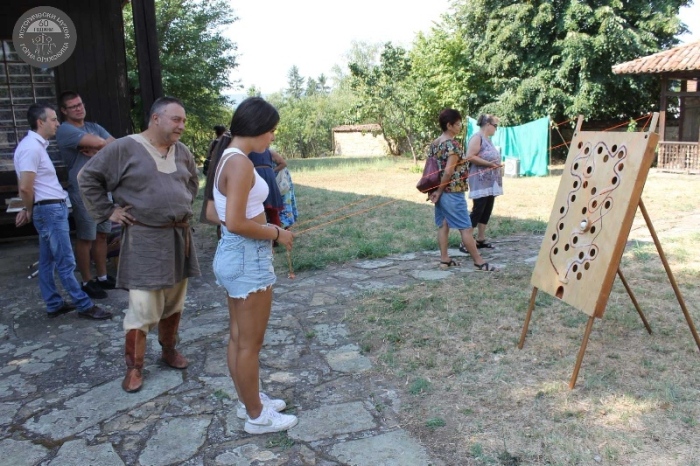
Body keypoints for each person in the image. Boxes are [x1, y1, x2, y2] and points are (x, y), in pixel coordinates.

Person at [78, 96, 200, 393]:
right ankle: (134, 367)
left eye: (183, 120)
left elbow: (192, 183)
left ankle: (168, 350)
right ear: (156, 119)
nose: (181, 126)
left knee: (174, 301)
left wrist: (177, 207)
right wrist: (109, 211)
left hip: (178, 236)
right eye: (176, 119)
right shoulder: (124, 148)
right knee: (144, 306)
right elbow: (88, 177)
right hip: (145, 238)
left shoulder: (181, 151)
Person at [206, 97, 298, 434]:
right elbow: (233, 221)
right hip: (247, 257)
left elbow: (217, 213)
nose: (272, 137)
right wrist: (276, 232)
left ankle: (250, 399)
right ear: (258, 129)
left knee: (238, 338)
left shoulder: (228, 156)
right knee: (249, 343)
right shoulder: (241, 163)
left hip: (236, 255)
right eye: (272, 130)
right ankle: (257, 416)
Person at [14, 103, 113, 320]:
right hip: (48, 209)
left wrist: (29, 208)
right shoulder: (31, 147)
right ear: (40, 122)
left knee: (48, 261)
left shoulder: (36, 146)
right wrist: (29, 210)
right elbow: (25, 187)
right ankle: (84, 305)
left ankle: (54, 304)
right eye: (53, 119)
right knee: (66, 262)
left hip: (49, 207)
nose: (57, 123)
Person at [56, 91, 116, 299]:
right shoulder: (65, 130)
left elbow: (114, 145)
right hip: (82, 189)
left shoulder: (94, 126)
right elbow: (102, 143)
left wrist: (97, 150)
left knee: (102, 235)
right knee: (86, 237)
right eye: (73, 106)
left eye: (80, 104)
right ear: (64, 111)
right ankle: (86, 281)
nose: (79, 108)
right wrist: (100, 146)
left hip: (102, 187)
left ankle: (102, 276)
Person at [428, 109, 495, 272]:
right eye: (457, 124)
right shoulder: (453, 145)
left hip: (439, 191)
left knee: (443, 225)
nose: (460, 126)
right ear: (449, 125)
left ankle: (445, 259)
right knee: (466, 227)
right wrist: (441, 191)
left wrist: (435, 191)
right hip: (451, 192)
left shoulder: (435, 144)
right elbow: (449, 172)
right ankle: (479, 262)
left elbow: (431, 169)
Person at [459, 114, 504, 253]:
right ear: (488, 124)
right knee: (478, 209)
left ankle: (480, 239)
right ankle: (465, 242)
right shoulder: (477, 138)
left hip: (491, 181)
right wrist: (490, 164)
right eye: (495, 126)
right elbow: (470, 157)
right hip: (480, 180)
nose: (496, 129)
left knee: (487, 208)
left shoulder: (488, 140)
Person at [248, 148, 284, 227]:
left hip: (257, 175)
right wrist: (271, 171)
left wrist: (273, 170)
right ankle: (276, 231)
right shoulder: (269, 151)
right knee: (272, 209)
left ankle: (272, 232)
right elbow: (282, 163)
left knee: (258, 207)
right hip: (268, 175)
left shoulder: (247, 150)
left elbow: (283, 163)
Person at [272, 149, 298, 229]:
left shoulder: (270, 152)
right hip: (272, 182)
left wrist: (272, 171)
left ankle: (287, 228)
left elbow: (283, 163)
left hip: (281, 181)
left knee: (285, 203)